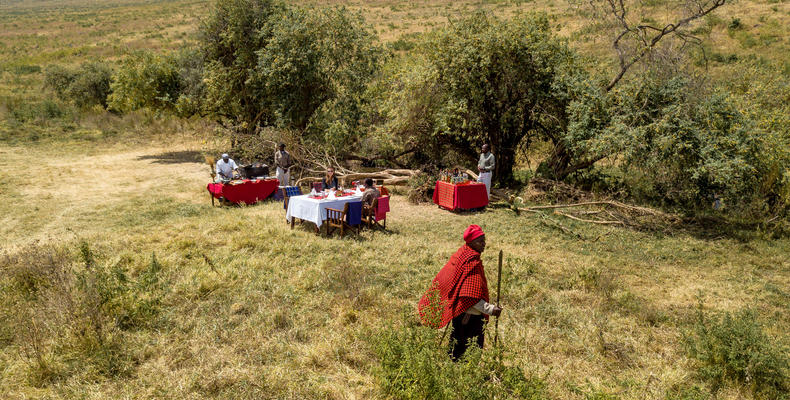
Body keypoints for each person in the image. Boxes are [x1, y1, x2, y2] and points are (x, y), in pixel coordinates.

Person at [418, 225, 502, 360]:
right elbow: (470, 297)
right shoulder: (471, 262)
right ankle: (461, 378)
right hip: (470, 319)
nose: (484, 244)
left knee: (456, 349)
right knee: (467, 353)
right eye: (480, 241)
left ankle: (452, 374)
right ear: (471, 242)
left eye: (484, 240)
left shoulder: (462, 254)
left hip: (458, 315)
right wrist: (491, 309)